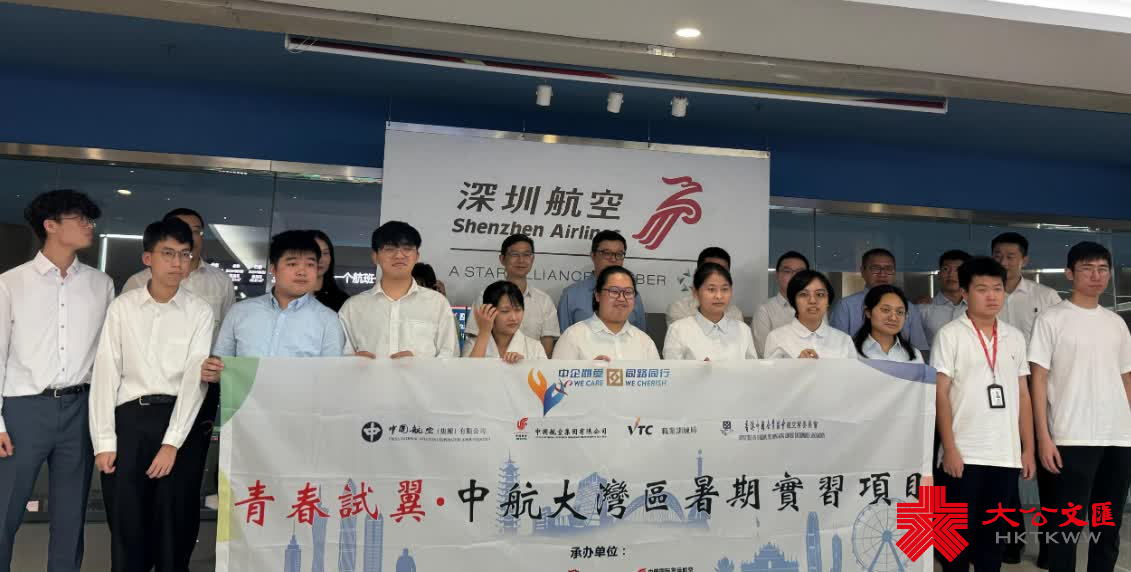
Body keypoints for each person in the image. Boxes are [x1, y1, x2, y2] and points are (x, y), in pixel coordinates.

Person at [89, 218, 214, 572]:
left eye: (185, 254)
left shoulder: (200, 311)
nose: (177, 263)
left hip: (180, 421)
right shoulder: (123, 307)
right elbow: (106, 373)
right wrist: (103, 441)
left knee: (174, 524)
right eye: (168, 254)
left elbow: (194, 381)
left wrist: (172, 442)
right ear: (148, 258)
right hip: (129, 422)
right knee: (127, 524)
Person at [0, 190, 114, 572]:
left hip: (80, 408)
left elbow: (106, 356)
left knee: (70, 517)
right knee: (5, 511)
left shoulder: (101, 285)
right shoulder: (10, 284)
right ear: (50, 225)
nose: (88, 225)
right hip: (22, 411)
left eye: (89, 218)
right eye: (79, 218)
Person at [1030, 242, 1131, 572]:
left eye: (1102, 269)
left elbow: (1126, 378)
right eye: (1087, 269)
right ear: (1069, 273)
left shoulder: (1116, 322)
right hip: (1071, 436)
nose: (1096, 276)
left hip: (1117, 437)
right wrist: (1043, 437)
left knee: (1108, 524)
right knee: (1066, 527)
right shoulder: (1051, 319)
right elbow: (1038, 380)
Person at [931, 256, 1035, 572]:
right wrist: (949, 448)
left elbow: (1023, 395)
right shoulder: (950, 334)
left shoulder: (1014, 337)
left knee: (993, 543)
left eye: (997, 288)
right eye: (982, 289)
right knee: (954, 545)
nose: (992, 296)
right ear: (965, 293)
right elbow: (940, 394)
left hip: (1004, 455)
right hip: (963, 454)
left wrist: (1027, 449)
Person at [202, 231, 345, 379]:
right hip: (244, 395)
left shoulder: (329, 321)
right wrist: (214, 371)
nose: (302, 271)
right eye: (292, 264)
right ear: (273, 269)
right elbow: (221, 364)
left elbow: (331, 378)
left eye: (310, 264)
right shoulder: (240, 312)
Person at [339, 221, 458, 359]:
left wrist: (420, 365)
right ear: (375, 256)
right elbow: (337, 358)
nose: (399, 255)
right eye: (390, 249)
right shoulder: (353, 308)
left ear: (417, 256)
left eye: (407, 249)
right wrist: (352, 363)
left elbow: (450, 357)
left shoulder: (437, 304)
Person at [122, 207, 235, 336]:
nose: (188, 236)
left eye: (195, 231)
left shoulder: (222, 281)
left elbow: (227, 333)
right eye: (180, 230)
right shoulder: (137, 282)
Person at [465, 234, 559, 357]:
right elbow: (474, 342)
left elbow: (546, 352)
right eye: (514, 254)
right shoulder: (484, 297)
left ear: (532, 259)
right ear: (502, 259)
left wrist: (526, 364)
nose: (521, 260)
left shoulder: (544, 301)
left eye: (526, 255)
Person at [828, 248, 929, 351]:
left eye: (888, 269)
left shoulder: (909, 307)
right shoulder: (845, 306)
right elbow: (835, 348)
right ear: (862, 271)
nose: (882, 274)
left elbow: (920, 348)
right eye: (875, 268)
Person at [553, 266, 659, 361]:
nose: (621, 298)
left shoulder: (645, 342)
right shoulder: (573, 337)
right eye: (614, 291)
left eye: (628, 292)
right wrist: (587, 372)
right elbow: (556, 376)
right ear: (597, 295)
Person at [663, 263, 758, 361]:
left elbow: (753, 368)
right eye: (711, 289)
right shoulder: (678, 330)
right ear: (695, 292)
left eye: (725, 289)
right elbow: (672, 369)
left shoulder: (743, 330)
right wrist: (696, 369)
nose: (719, 296)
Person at [558, 230, 646, 332]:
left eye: (619, 254)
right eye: (607, 253)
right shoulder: (571, 295)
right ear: (593, 255)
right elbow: (563, 337)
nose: (613, 259)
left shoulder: (632, 295)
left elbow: (641, 335)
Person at [763, 270, 856, 359]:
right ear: (793, 301)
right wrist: (795, 364)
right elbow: (771, 371)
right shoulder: (776, 338)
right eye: (803, 294)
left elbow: (852, 371)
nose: (812, 301)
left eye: (820, 294)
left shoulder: (844, 340)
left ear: (828, 301)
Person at [991, 232, 1062, 344]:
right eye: (997, 257)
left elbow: (1061, 335)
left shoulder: (1047, 296)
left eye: (1010, 257)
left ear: (1024, 261)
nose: (1003, 263)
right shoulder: (982, 296)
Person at [463, 281, 547, 363]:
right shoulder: (473, 344)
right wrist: (484, 333)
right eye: (505, 311)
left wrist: (523, 365)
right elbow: (469, 371)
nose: (513, 318)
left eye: (518, 310)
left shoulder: (535, 348)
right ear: (489, 311)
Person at [664, 247, 744, 326]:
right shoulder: (679, 309)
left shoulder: (735, 314)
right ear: (697, 273)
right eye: (710, 269)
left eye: (722, 271)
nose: (717, 275)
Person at [752, 251, 810, 356]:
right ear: (777, 275)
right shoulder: (764, 310)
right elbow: (764, 353)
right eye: (787, 271)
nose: (794, 276)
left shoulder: (816, 307)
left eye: (800, 272)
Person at [853, 285, 923, 363]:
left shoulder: (914, 354)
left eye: (900, 312)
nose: (893, 318)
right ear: (868, 312)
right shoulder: (851, 351)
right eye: (886, 310)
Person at [919, 250, 971, 346]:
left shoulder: (976, 310)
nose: (951, 274)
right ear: (939, 274)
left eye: (958, 270)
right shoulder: (923, 309)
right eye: (946, 269)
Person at [309, 230, 351, 312]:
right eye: (315, 252)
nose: (321, 259)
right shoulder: (288, 297)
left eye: (325, 253)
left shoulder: (343, 301)